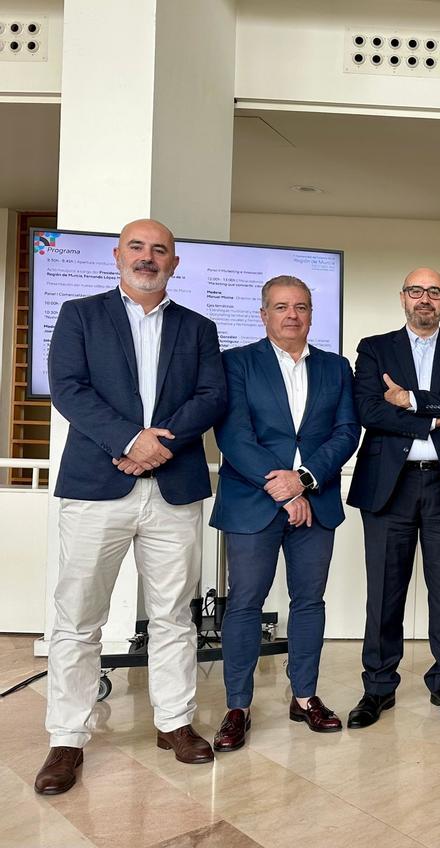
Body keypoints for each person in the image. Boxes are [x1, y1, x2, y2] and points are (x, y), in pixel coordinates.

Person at [37, 219, 227, 795]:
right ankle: (67, 737)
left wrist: (156, 445)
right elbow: (69, 388)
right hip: (98, 485)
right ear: (118, 255)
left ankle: (174, 722)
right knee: (78, 617)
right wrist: (128, 441)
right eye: (138, 247)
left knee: (174, 613)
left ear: (175, 263)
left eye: (160, 250)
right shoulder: (80, 314)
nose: (148, 258)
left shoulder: (199, 327)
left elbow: (212, 396)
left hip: (173, 488)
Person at [209, 275, 360, 751]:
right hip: (253, 499)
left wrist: (306, 480)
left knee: (309, 601)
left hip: (316, 500)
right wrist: (284, 488)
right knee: (245, 602)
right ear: (264, 315)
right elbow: (233, 436)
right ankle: (238, 705)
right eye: (280, 307)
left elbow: (346, 431)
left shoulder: (337, 368)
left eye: (300, 307)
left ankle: (305, 696)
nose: (291, 315)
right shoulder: (235, 363)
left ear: (311, 314)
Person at [345, 267, 440, 726]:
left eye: (434, 292)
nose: (425, 299)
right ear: (403, 297)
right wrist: (433, 412)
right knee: (384, 592)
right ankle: (378, 687)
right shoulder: (374, 348)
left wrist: (407, 400)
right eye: (416, 291)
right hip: (391, 484)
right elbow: (368, 409)